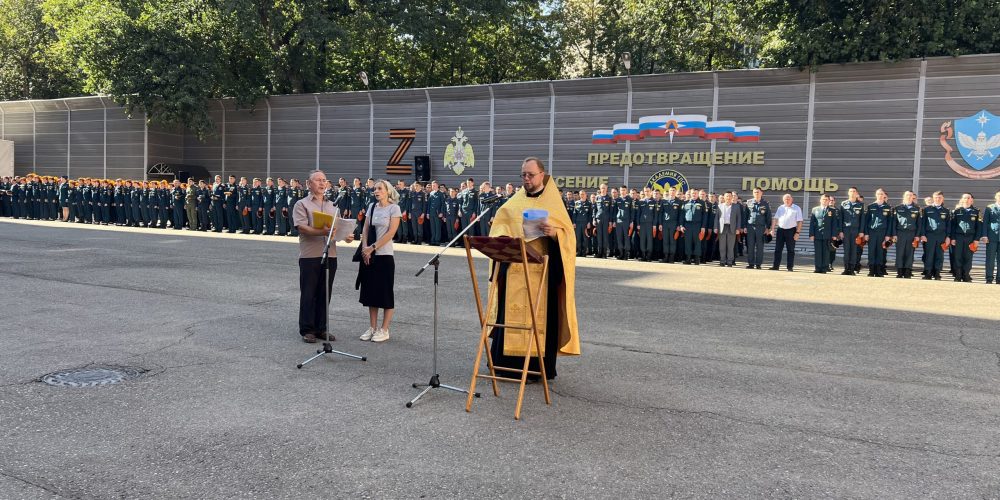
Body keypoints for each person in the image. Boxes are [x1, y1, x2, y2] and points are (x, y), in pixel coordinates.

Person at [487, 157, 580, 380]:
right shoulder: (512, 204)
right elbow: (500, 229)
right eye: (523, 175)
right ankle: (506, 365)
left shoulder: (555, 203)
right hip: (515, 270)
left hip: (544, 274)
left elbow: (569, 237)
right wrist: (502, 235)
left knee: (540, 319)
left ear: (542, 175)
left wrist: (555, 233)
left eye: (530, 175)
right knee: (511, 316)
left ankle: (536, 368)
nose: (526, 179)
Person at [293, 170, 353, 343]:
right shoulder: (301, 204)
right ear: (308, 183)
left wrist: (346, 236)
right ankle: (307, 329)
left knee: (325, 293)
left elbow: (337, 230)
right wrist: (323, 231)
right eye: (317, 180)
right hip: (310, 255)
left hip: (331, 255)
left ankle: (321, 328)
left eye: (324, 180)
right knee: (309, 293)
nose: (321, 183)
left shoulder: (333, 207)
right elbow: (302, 227)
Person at [357, 180, 402, 343]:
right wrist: (365, 249)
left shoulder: (394, 208)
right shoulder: (372, 206)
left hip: (385, 255)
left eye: (379, 188)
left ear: (387, 191)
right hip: (370, 254)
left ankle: (384, 329)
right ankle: (373, 327)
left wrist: (373, 247)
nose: (376, 191)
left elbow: (391, 233)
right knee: (371, 292)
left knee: (385, 292)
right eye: (375, 189)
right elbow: (365, 229)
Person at [950, 193, 981, 283]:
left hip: (970, 238)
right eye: (965, 198)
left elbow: (979, 227)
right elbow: (953, 226)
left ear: (971, 200)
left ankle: (966, 275)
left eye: (968, 198)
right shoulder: (956, 211)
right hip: (958, 237)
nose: (967, 199)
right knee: (957, 256)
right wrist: (953, 238)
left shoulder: (976, 211)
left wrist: (976, 239)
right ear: (962, 199)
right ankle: (958, 275)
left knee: (968, 257)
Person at [861, 188, 892, 277]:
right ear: (876, 195)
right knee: (871, 251)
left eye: (882, 194)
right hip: (872, 232)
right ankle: (871, 271)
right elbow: (866, 221)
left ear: (884, 196)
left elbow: (890, 223)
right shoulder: (871, 206)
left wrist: (887, 235)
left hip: (882, 232)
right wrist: (866, 233)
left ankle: (878, 271)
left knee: (880, 252)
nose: (880, 196)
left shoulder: (888, 207)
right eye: (878, 194)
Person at [892, 191, 922, 278]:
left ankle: (907, 271)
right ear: (904, 196)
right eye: (907, 195)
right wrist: (894, 234)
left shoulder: (917, 209)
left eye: (910, 195)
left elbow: (919, 224)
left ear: (913, 197)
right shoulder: (897, 208)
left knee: (910, 253)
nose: (909, 197)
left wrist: (917, 235)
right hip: (900, 233)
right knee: (900, 252)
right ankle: (900, 271)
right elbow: (894, 222)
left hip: (912, 233)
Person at [770, 193, 802, 271]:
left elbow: (800, 221)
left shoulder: (797, 208)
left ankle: (790, 267)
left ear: (792, 199)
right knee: (778, 249)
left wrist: (797, 233)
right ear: (783, 200)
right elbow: (775, 219)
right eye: (785, 199)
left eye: (788, 199)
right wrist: (772, 229)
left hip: (791, 231)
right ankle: (775, 266)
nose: (787, 200)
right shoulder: (780, 208)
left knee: (790, 250)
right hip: (780, 230)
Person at [808, 194, 838, 273]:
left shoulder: (832, 210)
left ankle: (824, 268)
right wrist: (811, 234)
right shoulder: (815, 209)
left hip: (827, 235)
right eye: (823, 199)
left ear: (829, 201)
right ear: (820, 200)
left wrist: (834, 235)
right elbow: (812, 223)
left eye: (826, 200)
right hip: (817, 234)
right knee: (818, 252)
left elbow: (834, 223)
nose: (825, 201)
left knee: (826, 252)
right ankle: (818, 268)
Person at [744, 188, 772, 269]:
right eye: (755, 192)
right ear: (753, 193)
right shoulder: (748, 202)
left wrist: (768, 228)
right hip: (750, 227)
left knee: (760, 246)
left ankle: (758, 264)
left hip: (761, 227)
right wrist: (745, 226)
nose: (756, 193)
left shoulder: (765, 203)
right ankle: (751, 263)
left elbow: (768, 216)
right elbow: (745, 215)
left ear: (761, 193)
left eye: (758, 192)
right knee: (750, 246)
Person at [716, 192, 742, 267]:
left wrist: (738, 228)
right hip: (722, 228)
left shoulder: (736, 207)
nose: (728, 197)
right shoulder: (719, 206)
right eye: (727, 196)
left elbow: (738, 218)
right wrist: (715, 227)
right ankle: (722, 261)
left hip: (732, 228)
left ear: (732, 197)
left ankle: (730, 261)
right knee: (722, 246)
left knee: (730, 246)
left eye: (730, 196)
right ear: (724, 197)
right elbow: (716, 218)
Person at [983, 191, 1000, 284]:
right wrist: (984, 235)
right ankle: (989, 278)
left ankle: (999, 279)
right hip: (992, 237)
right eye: (999, 196)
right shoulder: (990, 208)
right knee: (990, 259)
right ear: (996, 197)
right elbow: (985, 222)